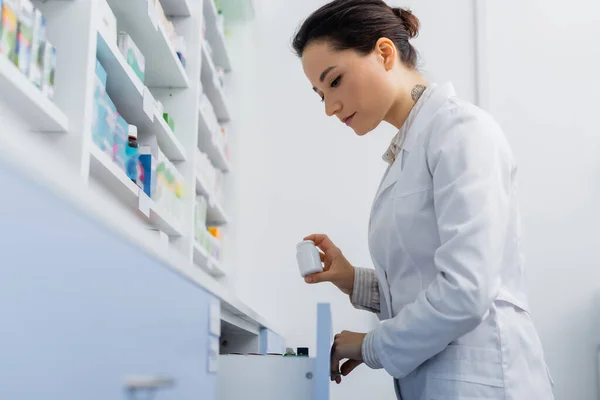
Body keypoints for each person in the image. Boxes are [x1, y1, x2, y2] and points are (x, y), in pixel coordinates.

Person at [292, 0, 555, 398]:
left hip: (488, 381)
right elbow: (422, 285)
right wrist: (351, 279)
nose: (330, 107)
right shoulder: (412, 146)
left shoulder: (460, 131)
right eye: (318, 94)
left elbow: (466, 290)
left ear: (384, 53)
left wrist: (368, 346)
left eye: (335, 81)